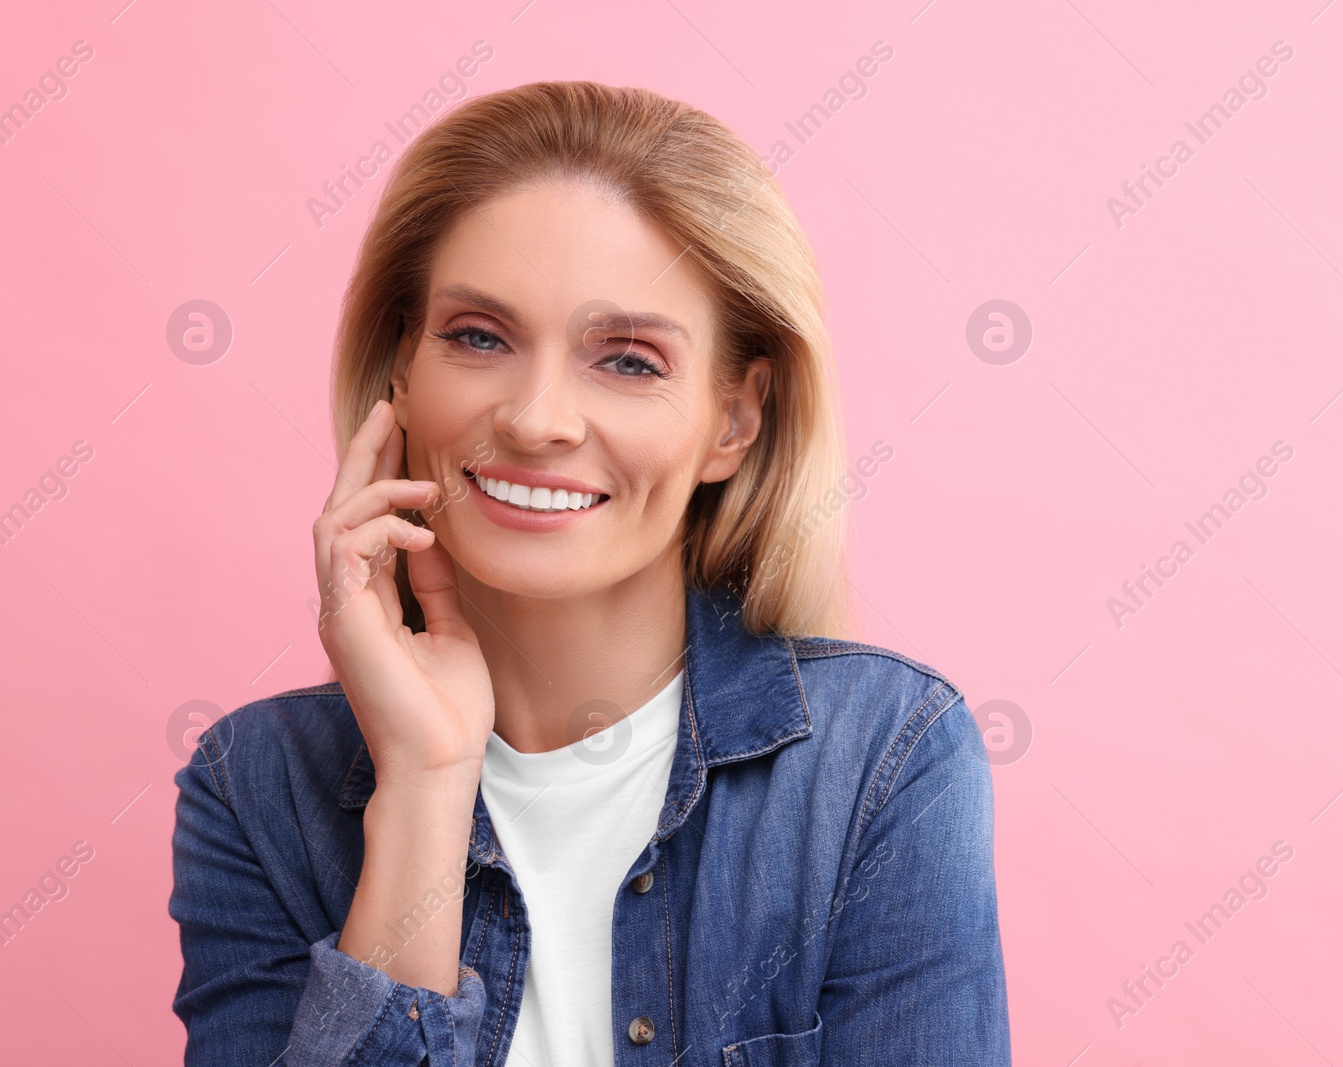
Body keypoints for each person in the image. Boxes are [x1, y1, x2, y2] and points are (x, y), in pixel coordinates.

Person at [168, 80, 1009, 1066]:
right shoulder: (256, 788)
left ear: (733, 421)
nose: (536, 418)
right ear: (403, 365)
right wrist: (427, 781)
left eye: (629, 360)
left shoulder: (884, 761)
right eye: (479, 338)